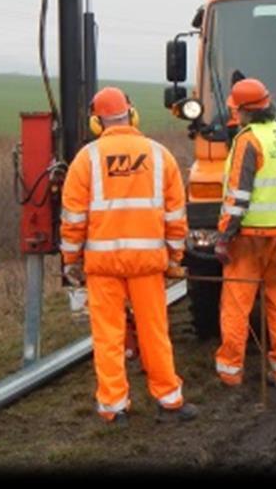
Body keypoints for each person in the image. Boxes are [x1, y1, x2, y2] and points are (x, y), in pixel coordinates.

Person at [60, 86, 198, 426]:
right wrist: (175, 255)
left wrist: (71, 260)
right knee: (154, 332)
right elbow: (175, 214)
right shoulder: (159, 155)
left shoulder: (86, 159)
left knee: (108, 337)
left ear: (97, 122)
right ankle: (169, 401)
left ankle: (113, 406)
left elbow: (73, 218)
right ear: (131, 114)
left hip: (102, 266)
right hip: (148, 264)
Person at [214, 78, 276, 389]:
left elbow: (238, 196)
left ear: (243, 112)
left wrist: (223, 236)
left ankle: (231, 371)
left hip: (249, 236)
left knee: (236, 303)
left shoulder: (247, 141)